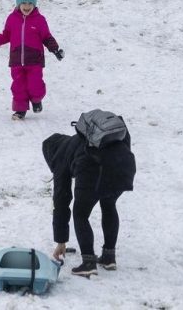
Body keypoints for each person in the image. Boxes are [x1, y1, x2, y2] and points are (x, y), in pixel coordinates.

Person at [42, 119, 137, 278]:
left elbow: (61, 201)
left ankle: (88, 263)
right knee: (109, 204)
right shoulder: (86, 140)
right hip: (123, 164)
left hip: (92, 167)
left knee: (80, 213)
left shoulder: (60, 156)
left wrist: (61, 241)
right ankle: (108, 257)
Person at [0, 0, 63, 120]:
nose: (27, 6)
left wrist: (55, 50)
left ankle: (36, 100)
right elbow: (5, 35)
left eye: (30, 3)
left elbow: (47, 37)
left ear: (34, 4)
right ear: (18, 3)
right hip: (16, 60)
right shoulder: (12, 19)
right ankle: (20, 110)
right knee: (18, 87)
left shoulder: (39, 20)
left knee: (35, 84)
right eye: (24, 3)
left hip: (35, 60)